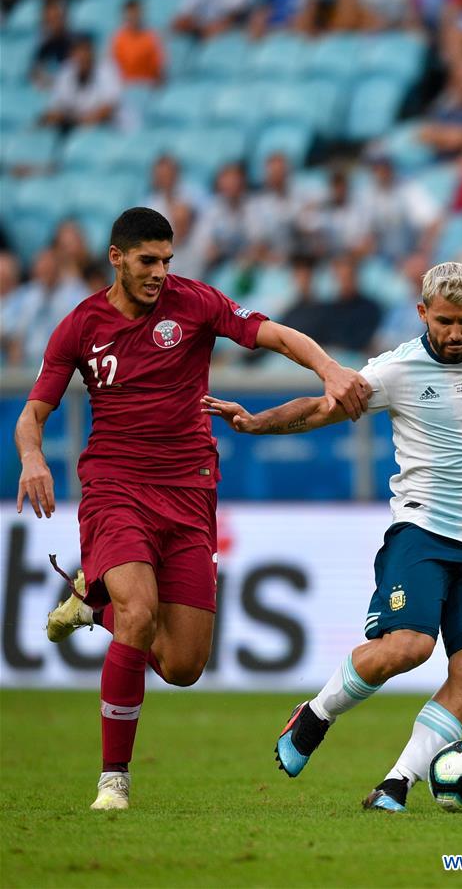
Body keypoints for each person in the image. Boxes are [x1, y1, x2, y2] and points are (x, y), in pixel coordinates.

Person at [14, 207, 370, 812]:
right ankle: (113, 781)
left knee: (182, 665)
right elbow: (33, 413)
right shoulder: (78, 327)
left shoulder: (196, 302)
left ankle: (89, 602)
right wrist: (32, 458)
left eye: (167, 260)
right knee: (139, 610)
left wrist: (331, 368)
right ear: (116, 257)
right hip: (115, 484)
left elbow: (277, 334)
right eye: (147, 260)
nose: (159, 272)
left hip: (188, 492)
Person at [202, 260, 462, 812]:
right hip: (424, 530)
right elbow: (323, 407)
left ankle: (397, 783)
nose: (455, 334)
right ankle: (315, 716)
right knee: (408, 647)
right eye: (443, 322)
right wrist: (259, 422)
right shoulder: (396, 370)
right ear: (422, 313)